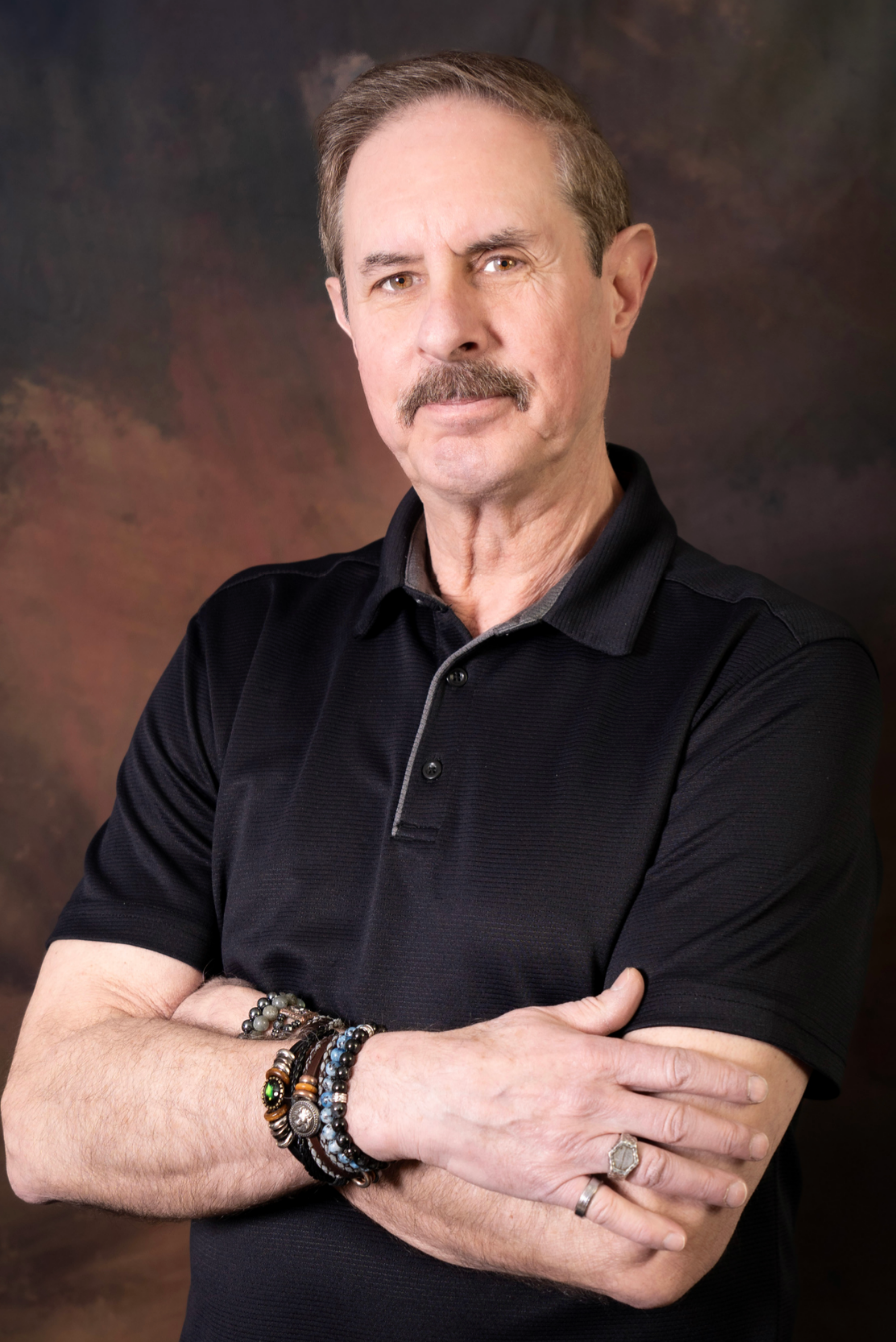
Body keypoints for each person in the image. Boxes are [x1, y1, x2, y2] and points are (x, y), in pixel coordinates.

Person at [1, 51, 880, 1342]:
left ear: (622, 288)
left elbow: (644, 1230)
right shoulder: (248, 640)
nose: (446, 328)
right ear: (347, 316)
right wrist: (406, 1091)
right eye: (394, 277)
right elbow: (47, 1119)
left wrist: (244, 1030)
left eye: (500, 259)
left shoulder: (775, 678)